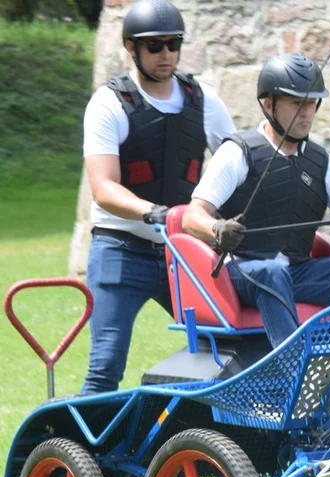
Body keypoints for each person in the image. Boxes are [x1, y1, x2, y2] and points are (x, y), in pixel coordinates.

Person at [182, 53, 330, 348]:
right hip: (244, 271)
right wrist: (218, 229)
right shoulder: (238, 153)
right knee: (272, 272)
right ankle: (295, 366)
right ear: (268, 105)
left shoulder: (323, 163)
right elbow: (192, 217)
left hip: (299, 272)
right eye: (297, 103)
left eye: (312, 103)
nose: (307, 113)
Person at [81, 0, 235, 394]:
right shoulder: (109, 104)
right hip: (121, 249)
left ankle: (198, 444)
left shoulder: (205, 101)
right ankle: (78, 452)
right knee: (105, 367)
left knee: (225, 350)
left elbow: (237, 167)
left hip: (184, 251)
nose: (166, 54)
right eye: (155, 46)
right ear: (131, 48)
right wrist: (156, 213)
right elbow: (103, 188)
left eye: (174, 44)